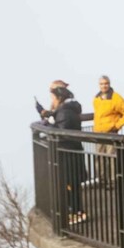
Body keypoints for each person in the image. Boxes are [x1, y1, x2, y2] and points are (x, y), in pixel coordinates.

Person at [42, 83, 87, 225]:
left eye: (53, 97)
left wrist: (48, 124)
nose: (52, 100)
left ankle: (76, 212)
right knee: (71, 184)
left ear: (59, 98)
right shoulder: (67, 110)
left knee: (70, 184)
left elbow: (61, 131)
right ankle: (75, 211)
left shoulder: (65, 112)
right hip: (72, 151)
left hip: (68, 153)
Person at [92, 75, 124, 188]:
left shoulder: (116, 97)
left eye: (106, 83)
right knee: (99, 157)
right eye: (101, 84)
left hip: (111, 132)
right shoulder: (96, 98)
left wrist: (117, 125)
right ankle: (101, 180)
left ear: (109, 84)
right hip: (98, 132)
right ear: (99, 85)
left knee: (111, 157)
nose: (104, 86)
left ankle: (113, 181)